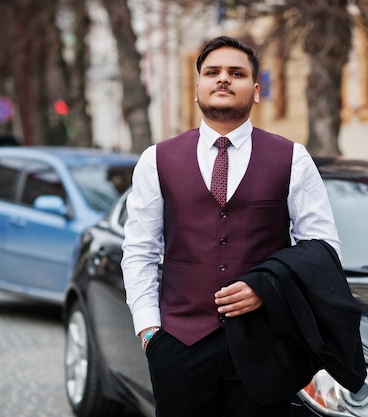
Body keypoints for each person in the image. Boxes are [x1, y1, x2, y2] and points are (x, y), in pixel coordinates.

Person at [121, 35, 343, 417]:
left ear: (255, 91)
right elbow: (140, 250)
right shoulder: (156, 160)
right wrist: (149, 333)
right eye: (213, 72)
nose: (223, 79)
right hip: (179, 347)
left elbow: (323, 250)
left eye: (236, 73)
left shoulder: (292, 158)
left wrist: (267, 288)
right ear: (197, 89)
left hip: (267, 348)